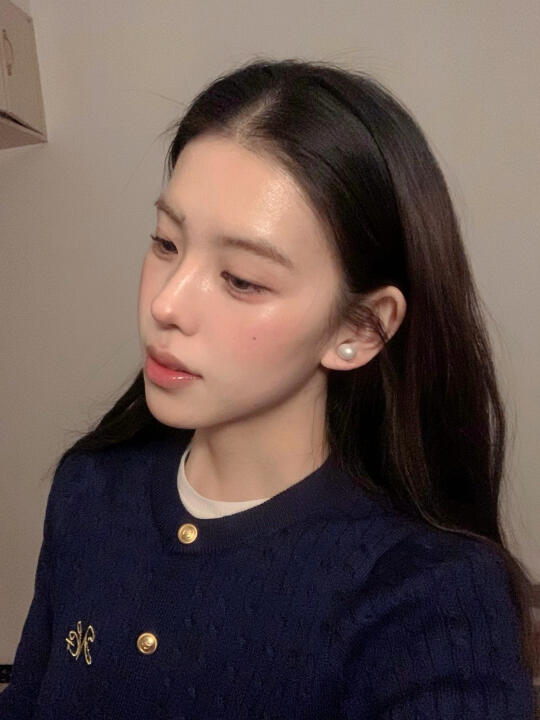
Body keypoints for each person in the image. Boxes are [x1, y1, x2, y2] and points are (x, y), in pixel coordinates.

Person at [1, 57, 537, 719]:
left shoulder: (429, 595)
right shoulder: (92, 490)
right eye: (166, 243)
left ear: (360, 328)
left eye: (242, 280)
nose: (167, 304)